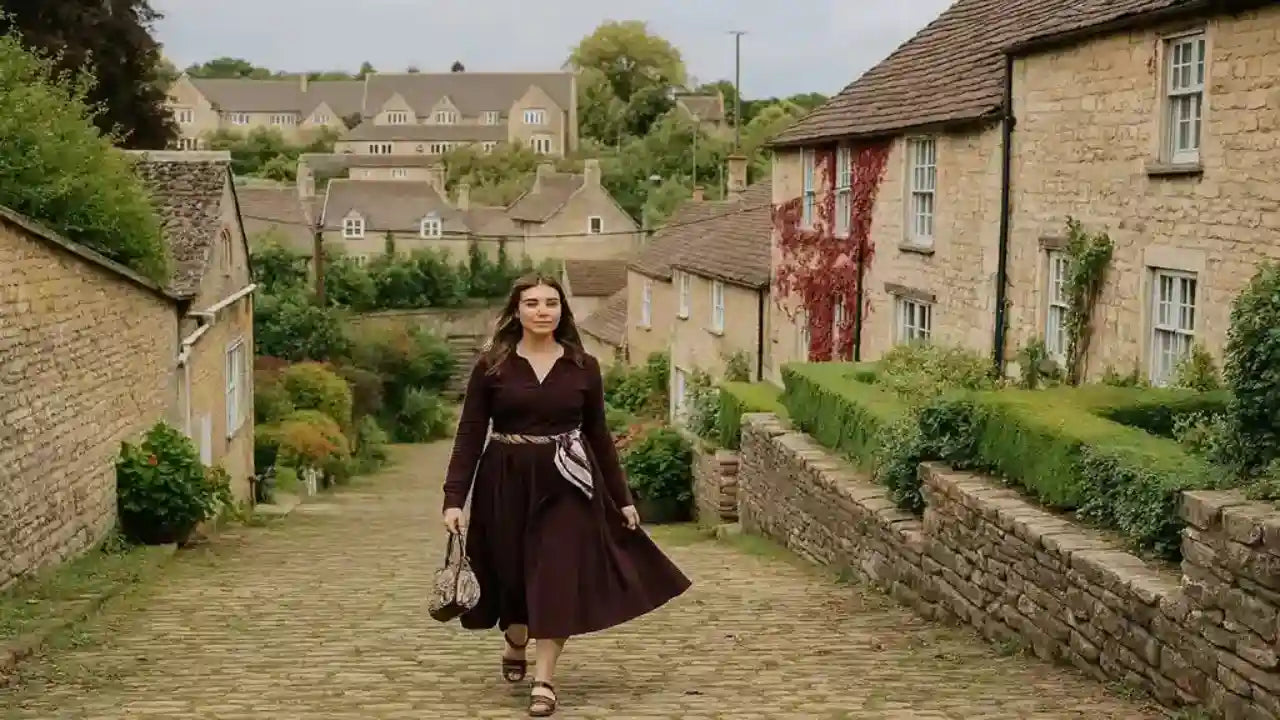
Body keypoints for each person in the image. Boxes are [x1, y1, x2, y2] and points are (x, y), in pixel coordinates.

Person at [441, 273, 691, 717]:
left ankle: (545, 679)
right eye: (533, 303)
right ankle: (516, 637)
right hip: (504, 481)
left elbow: (598, 435)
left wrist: (623, 497)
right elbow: (469, 434)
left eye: (551, 303)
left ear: (563, 311)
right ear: (516, 311)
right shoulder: (491, 366)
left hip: (569, 484)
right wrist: (454, 499)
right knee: (513, 576)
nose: (542, 311)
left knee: (555, 576)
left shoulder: (582, 366)